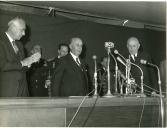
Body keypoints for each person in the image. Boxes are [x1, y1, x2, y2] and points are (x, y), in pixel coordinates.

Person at [0, 17, 41, 97]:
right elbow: (3, 65)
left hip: (23, 89)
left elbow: (22, 66)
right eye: (22, 30)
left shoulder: (19, 44)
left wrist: (31, 61)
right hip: (7, 90)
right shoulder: (1, 41)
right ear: (13, 28)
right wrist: (23, 63)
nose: (24, 34)